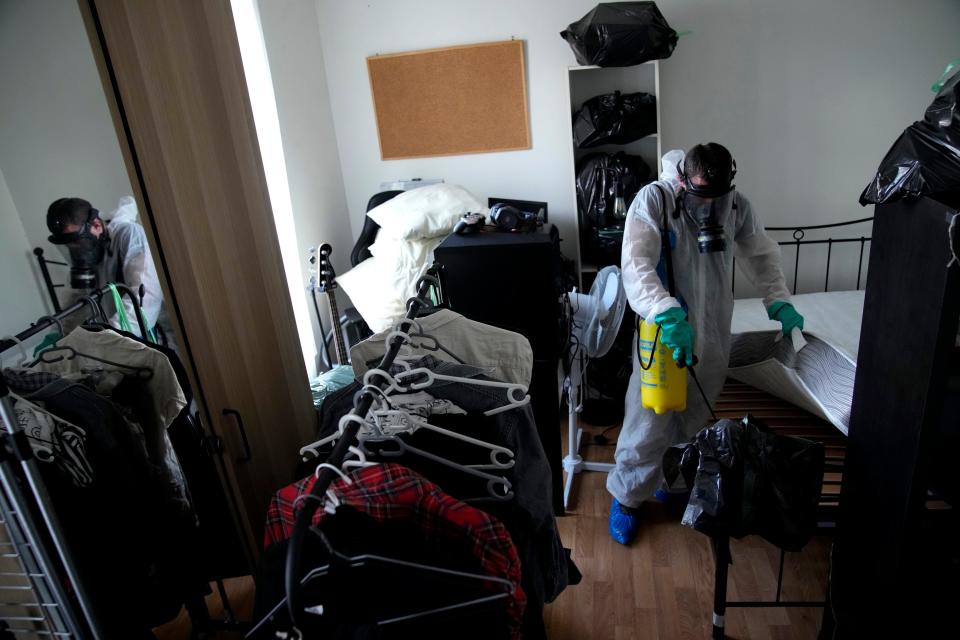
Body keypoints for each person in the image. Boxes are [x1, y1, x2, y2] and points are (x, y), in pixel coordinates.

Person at [608, 144, 804, 544]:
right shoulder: (656, 200)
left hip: (714, 326)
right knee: (649, 417)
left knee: (695, 413)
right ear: (684, 178)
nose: (708, 205)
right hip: (664, 327)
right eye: (701, 196)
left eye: (717, 195)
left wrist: (778, 300)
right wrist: (664, 312)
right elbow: (636, 263)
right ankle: (627, 498)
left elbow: (761, 254)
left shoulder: (735, 205)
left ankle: (674, 482)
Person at [46, 196, 170, 341]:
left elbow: (146, 297)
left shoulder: (128, 235)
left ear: (97, 225)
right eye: (70, 246)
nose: (76, 251)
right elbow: (76, 304)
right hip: (119, 339)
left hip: (155, 336)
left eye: (78, 243)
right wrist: (59, 334)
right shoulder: (88, 257)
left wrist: (107, 337)